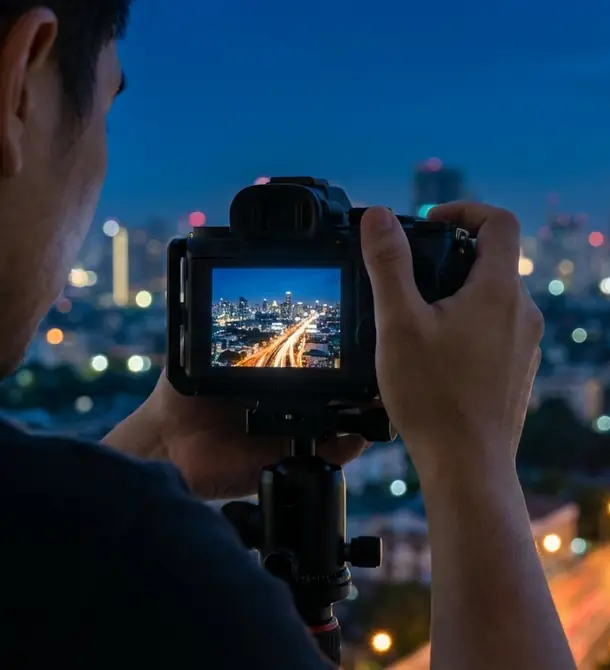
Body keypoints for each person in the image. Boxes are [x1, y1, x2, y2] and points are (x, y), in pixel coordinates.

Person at [0, 2, 576, 669]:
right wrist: (472, 465)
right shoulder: (145, 584)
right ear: (21, 85)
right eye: (106, 111)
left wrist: (162, 446)